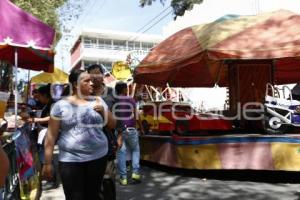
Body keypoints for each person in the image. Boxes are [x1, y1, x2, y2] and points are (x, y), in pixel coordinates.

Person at [42, 69, 116, 200]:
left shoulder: (98, 101)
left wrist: (103, 112)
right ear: (75, 85)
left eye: (92, 80)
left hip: (98, 157)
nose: (92, 83)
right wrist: (47, 163)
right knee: (74, 197)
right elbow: (51, 135)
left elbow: (112, 125)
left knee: (92, 196)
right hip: (70, 161)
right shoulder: (60, 106)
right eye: (87, 81)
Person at [87, 64, 121, 200]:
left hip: (108, 140)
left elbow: (120, 117)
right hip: (89, 143)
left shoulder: (112, 93)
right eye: (92, 74)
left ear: (103, 75)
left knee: (107, 180)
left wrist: (120, 136)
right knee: (93, 182)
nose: (95, 77)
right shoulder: (86, 93)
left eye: (98, 73)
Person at [115, 81, 143, 186]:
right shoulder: (130, 100)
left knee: (121, 153)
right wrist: (140, 127)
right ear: (123, 89)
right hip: (131, 129)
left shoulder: (115, 100)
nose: (128, 90)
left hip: (119, 131)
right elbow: (136, 115)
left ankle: (123, 178)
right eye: (126, 88)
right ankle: (135, 173)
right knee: (135, 150)